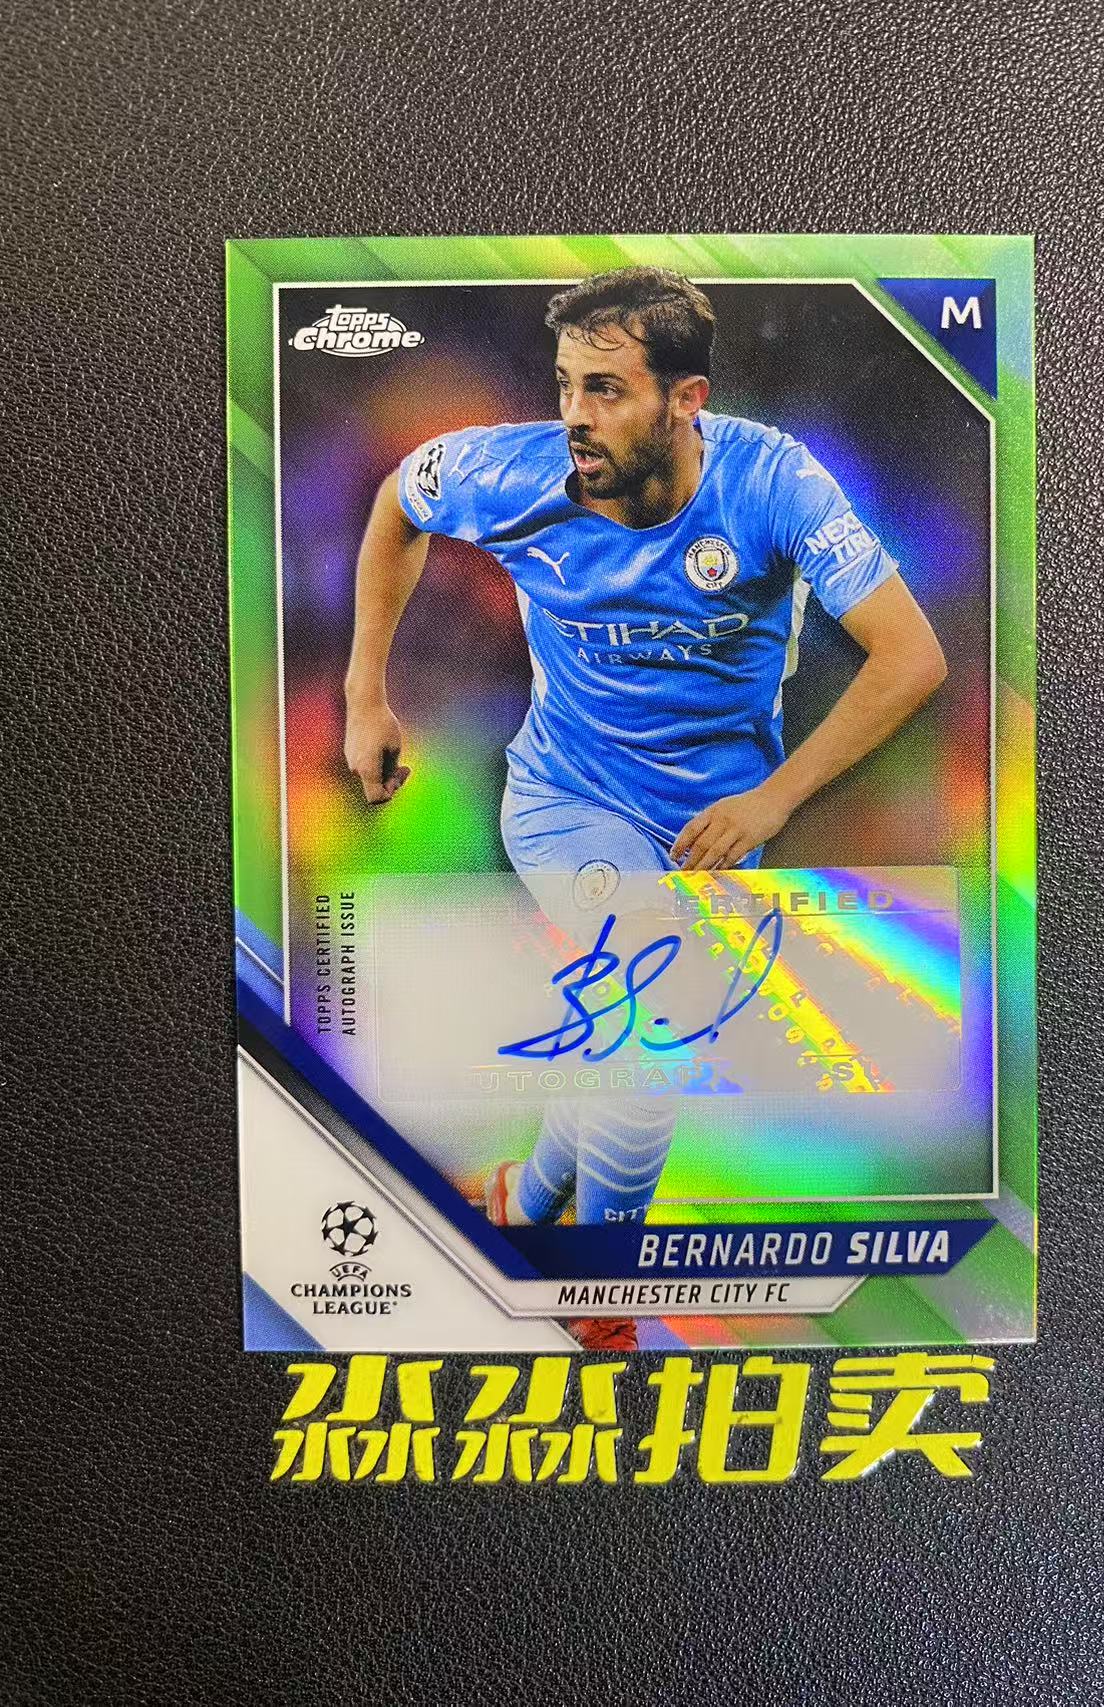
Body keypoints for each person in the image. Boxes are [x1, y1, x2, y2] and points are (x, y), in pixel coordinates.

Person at [343, 266, 946, 1349]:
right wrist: (364, 696)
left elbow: (909, 657)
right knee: (649, 1031)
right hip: (565, 801)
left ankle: (524, 1201)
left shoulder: (774, 484)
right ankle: (598, 1297)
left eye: (607, 389)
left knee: (622, 1043)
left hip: (712, 834)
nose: (575, 414)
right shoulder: (506, 471)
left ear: (686, 400)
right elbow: (399, 503)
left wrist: (769, 800)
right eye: (567, 384)